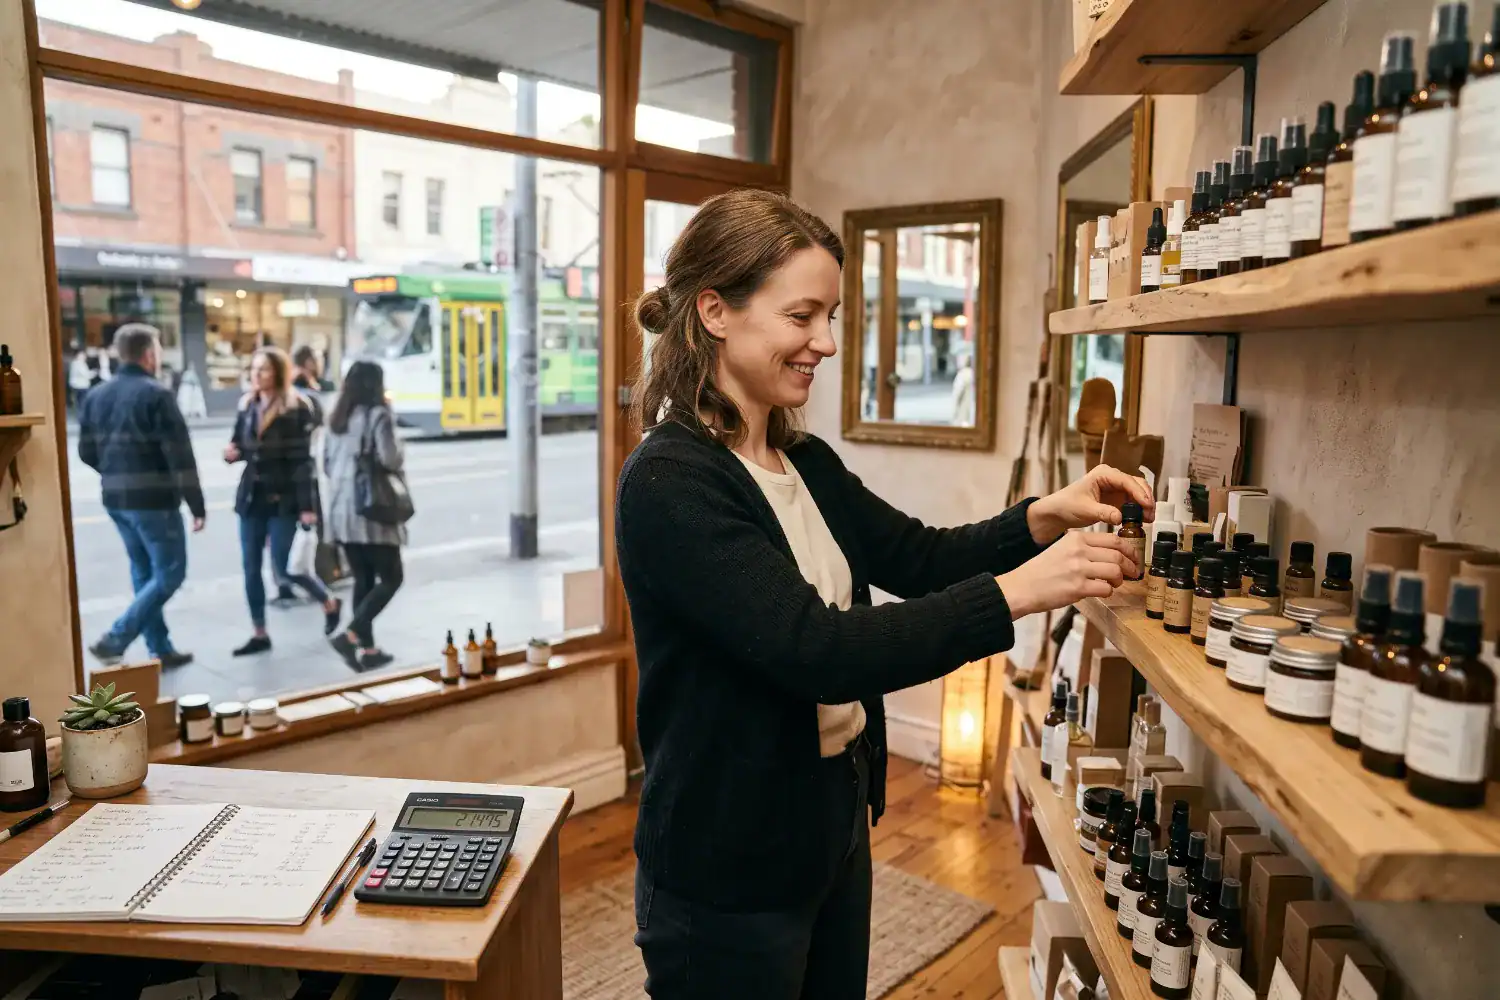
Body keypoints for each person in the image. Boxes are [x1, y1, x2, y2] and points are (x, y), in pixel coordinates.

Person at [615, 189, 1152, 1000]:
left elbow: (921, 555)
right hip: (727, 866)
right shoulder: (670, 481)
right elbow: (816, 650)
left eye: (831, 316)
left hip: (827, 831)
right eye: (803, 317)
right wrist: (1016, 595)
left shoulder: (806, 462)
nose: (826, 343)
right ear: (716, 311)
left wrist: (1042, 517)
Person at [77, 324, 205, 668]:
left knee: (143, 571)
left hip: (116, 500)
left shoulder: (96, 395)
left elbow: (86, 452)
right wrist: (196, 504)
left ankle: (159, 647)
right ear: (150, 355)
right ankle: (116, 637)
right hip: (154, 501)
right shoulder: (157, 395)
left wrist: (114, 473)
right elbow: (180, 456)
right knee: (170, 574)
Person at [225, 346, 341, 656]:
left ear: (278, 372)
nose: (256, 374)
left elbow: (301, 461)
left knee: (284, 565)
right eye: (254, 368)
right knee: (250, 567)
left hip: (284, 498)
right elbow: (239, 441)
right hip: (251, 497)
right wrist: (233, 453)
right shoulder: (247, 404)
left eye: (263, 369)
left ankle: (328, 602)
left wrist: (307, 508)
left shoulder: (296, 407)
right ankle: (259, 631)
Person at [322, 361, 405, 671]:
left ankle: (368, 651)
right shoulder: (378, 416)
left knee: (364, 579)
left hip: (342, 511)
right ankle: (352, 634)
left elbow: (327, 466)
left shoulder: (336, 418)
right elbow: (390, 458)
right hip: (371, 512)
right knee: (393, 577)